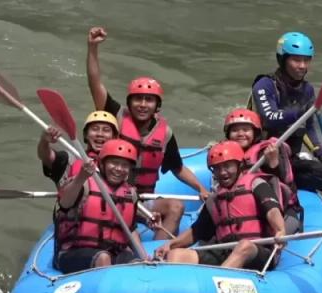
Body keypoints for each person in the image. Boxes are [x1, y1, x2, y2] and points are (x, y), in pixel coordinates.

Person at [86, 26, 209, 239]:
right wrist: (92, 48)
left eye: (149, 100)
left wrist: (201, 188)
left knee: (175, 208)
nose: (142, 104)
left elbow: (177, 167)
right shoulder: (116, 116)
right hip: (112, 194)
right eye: (137, 99)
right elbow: (94, 83)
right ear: (129, 102)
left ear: (157, 105)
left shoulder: (165, 134)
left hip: (143, 199)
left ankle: (157, 256)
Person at [154, 141, 286, 270]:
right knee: (176, 255)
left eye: (227, 166)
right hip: (224, 252)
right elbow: (197, 232)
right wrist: (171, 244)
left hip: (257, 252)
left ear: (239, 164)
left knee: (244, 246)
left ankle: (219, 282)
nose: (222, 172)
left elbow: (272, 210)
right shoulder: (214, 199)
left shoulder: (257, 184)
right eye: (217, 168)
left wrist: (280, 230)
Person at [249, 31, 322, 192]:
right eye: (296, 60)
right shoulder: (265, 85)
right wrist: (299, 111)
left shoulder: (307, 90)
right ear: (282, 60)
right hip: (260, 157)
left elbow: (308, 128)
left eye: (306, 60)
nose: (302, 66)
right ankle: (277, 182)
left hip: (288, 157)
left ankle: (286, 182)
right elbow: (269, 118)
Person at [54, 139, 157, 274]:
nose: (119, 169)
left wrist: (143, 257)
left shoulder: (130, 193)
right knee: (103, 257)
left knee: (137, 266)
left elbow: (130, 230)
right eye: (114, 163)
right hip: (74, 252)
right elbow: (64, 204)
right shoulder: (84, 184)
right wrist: (81, 177)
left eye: (125, 165)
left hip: (114, 251)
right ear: (102, 163)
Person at [223, 108, 302, 234]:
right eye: (235, 130)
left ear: (255, 133)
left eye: (246, 130)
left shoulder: (266, 151)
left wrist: (273, 163)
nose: (240, 134)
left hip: (279, 210)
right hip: (244, 209)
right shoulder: (225, 155)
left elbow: (280, 186)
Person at [38, 111, 118, 186]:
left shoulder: (122, 167)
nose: (100, 134)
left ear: (114, 137)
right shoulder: (69, 160)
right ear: (85, 135)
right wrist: (44, 141)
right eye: (95, 129)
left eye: (106, 130)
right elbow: (46, 156)